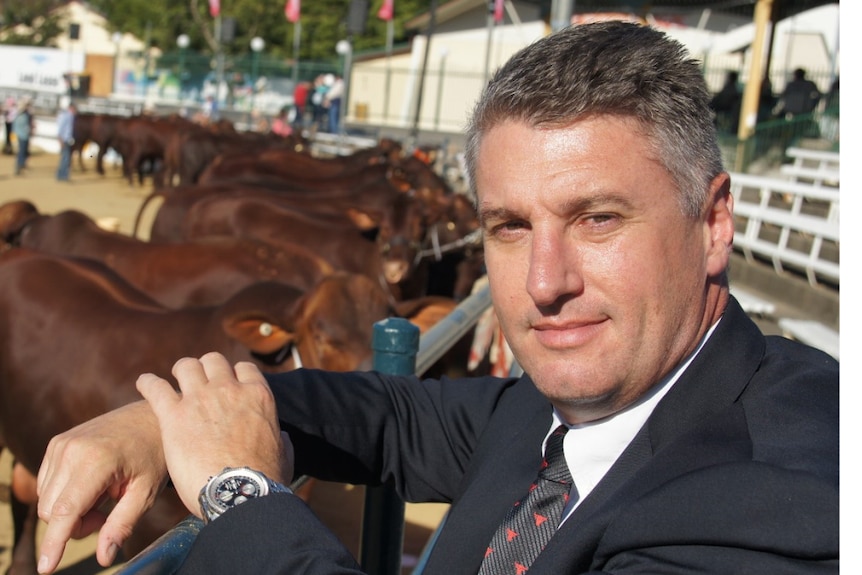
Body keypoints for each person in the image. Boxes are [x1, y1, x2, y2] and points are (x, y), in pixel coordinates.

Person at [35, 21, 838, 575]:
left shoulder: (776, 499)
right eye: (510, 227)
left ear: (713, 220)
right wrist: (169, 417)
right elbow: (396, 417)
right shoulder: (594, 401)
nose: (545, 281)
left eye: (597, 219)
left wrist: (237, 492)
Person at [55, 101, 77, 182]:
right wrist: (60, 140)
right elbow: (60, 129)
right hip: (65, 139)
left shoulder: (69, 116)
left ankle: (61, 175)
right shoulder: (66, 116)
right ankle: (62, 175)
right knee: (66, 158)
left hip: (67, 139)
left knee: (65, 158)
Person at [11, 99, 33, 176]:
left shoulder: (21, 116)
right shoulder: (23, 116)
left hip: (22, 136)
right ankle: (20, 166)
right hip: (22, 136)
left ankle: (21, 166)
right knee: (21, 152)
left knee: (22, 152)